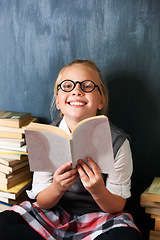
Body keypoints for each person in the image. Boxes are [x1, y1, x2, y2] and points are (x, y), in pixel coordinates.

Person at [0, 60, 142, 240]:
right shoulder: (45, 137)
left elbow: (117, 206)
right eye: (67, 86)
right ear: (58, 101)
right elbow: (42, 201)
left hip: (101, 218)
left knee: (127, 237)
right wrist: (57, 187)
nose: (76, 91)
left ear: (100, 100)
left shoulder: (118, 142)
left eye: (87, 85)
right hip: (52, 215)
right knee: (3, 225)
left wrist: (98, 190)